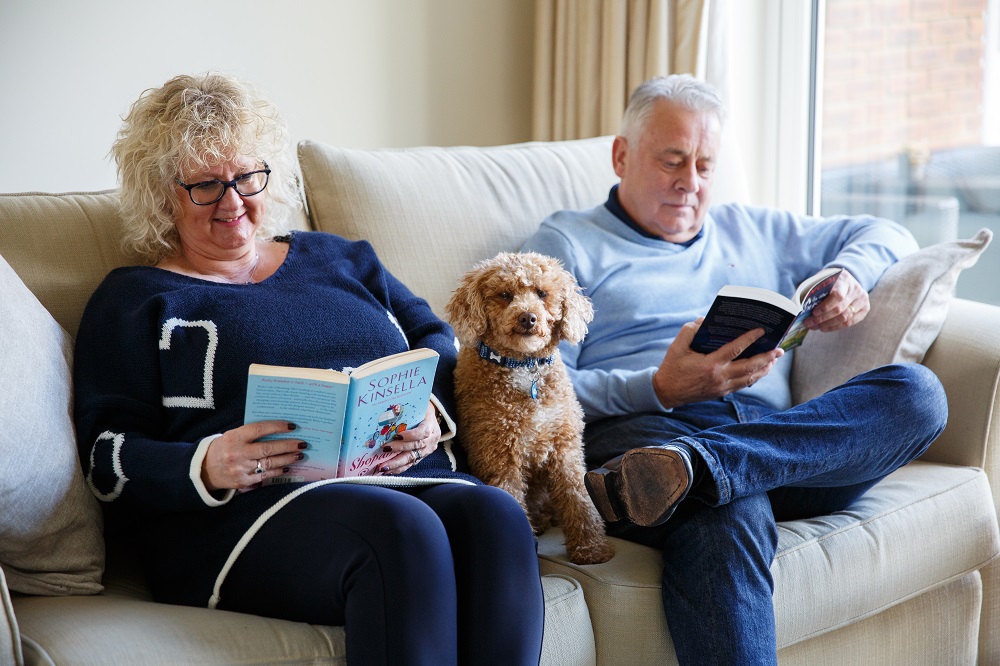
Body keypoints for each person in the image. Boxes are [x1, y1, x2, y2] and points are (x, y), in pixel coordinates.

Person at [74, 72, 544, 666]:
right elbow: (105, 455)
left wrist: (432, 411)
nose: (233, 201)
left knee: (495, 514)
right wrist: (207, 462)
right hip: (244, 514)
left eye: (246, 176)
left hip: (399, 472)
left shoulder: (339, 257)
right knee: (401, 530)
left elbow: (439, 339)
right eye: (205, 185)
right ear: (162, 195)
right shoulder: (138, 299)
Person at [522, 74, 947, 665]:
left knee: (919, 395)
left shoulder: (752, 228)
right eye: (672, 161)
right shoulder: (567, 243)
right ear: (621, 155)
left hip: (781, 448)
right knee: (729, 509)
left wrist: (849, 275)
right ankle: (691, 472)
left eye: (704, 166)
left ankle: (700, 470)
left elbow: (884, 231)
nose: (689, 183)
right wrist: (661, 387)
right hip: (649, 430)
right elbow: (535, 389)